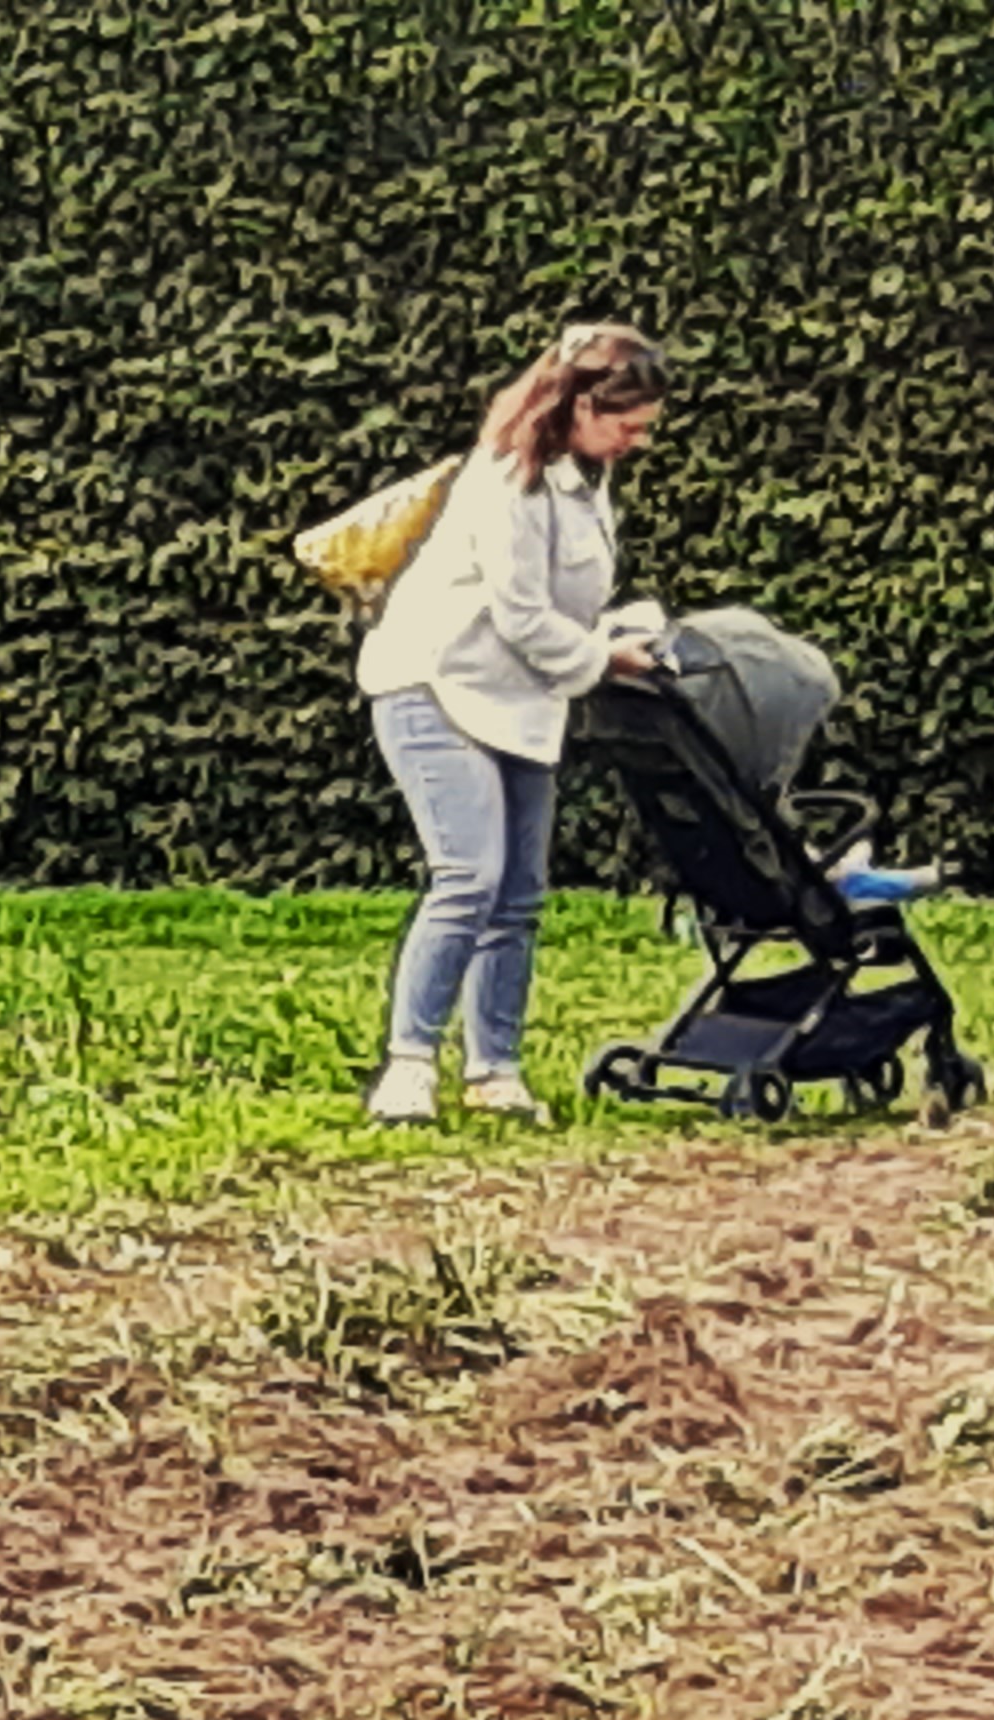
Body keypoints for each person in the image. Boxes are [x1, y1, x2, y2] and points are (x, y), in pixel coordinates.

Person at [354, 321, 671, 1125]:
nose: (635, 442)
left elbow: (561, 613)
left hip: (522, 697)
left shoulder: (586, 478)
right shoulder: (509, 483)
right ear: (579, 404)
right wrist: (604, 658)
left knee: (519, 895)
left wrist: (607, 636)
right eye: (626, 425)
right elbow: (523, 616)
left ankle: (494, 1070)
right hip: (434, 683)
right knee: (468, 877)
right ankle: (408, 1067)